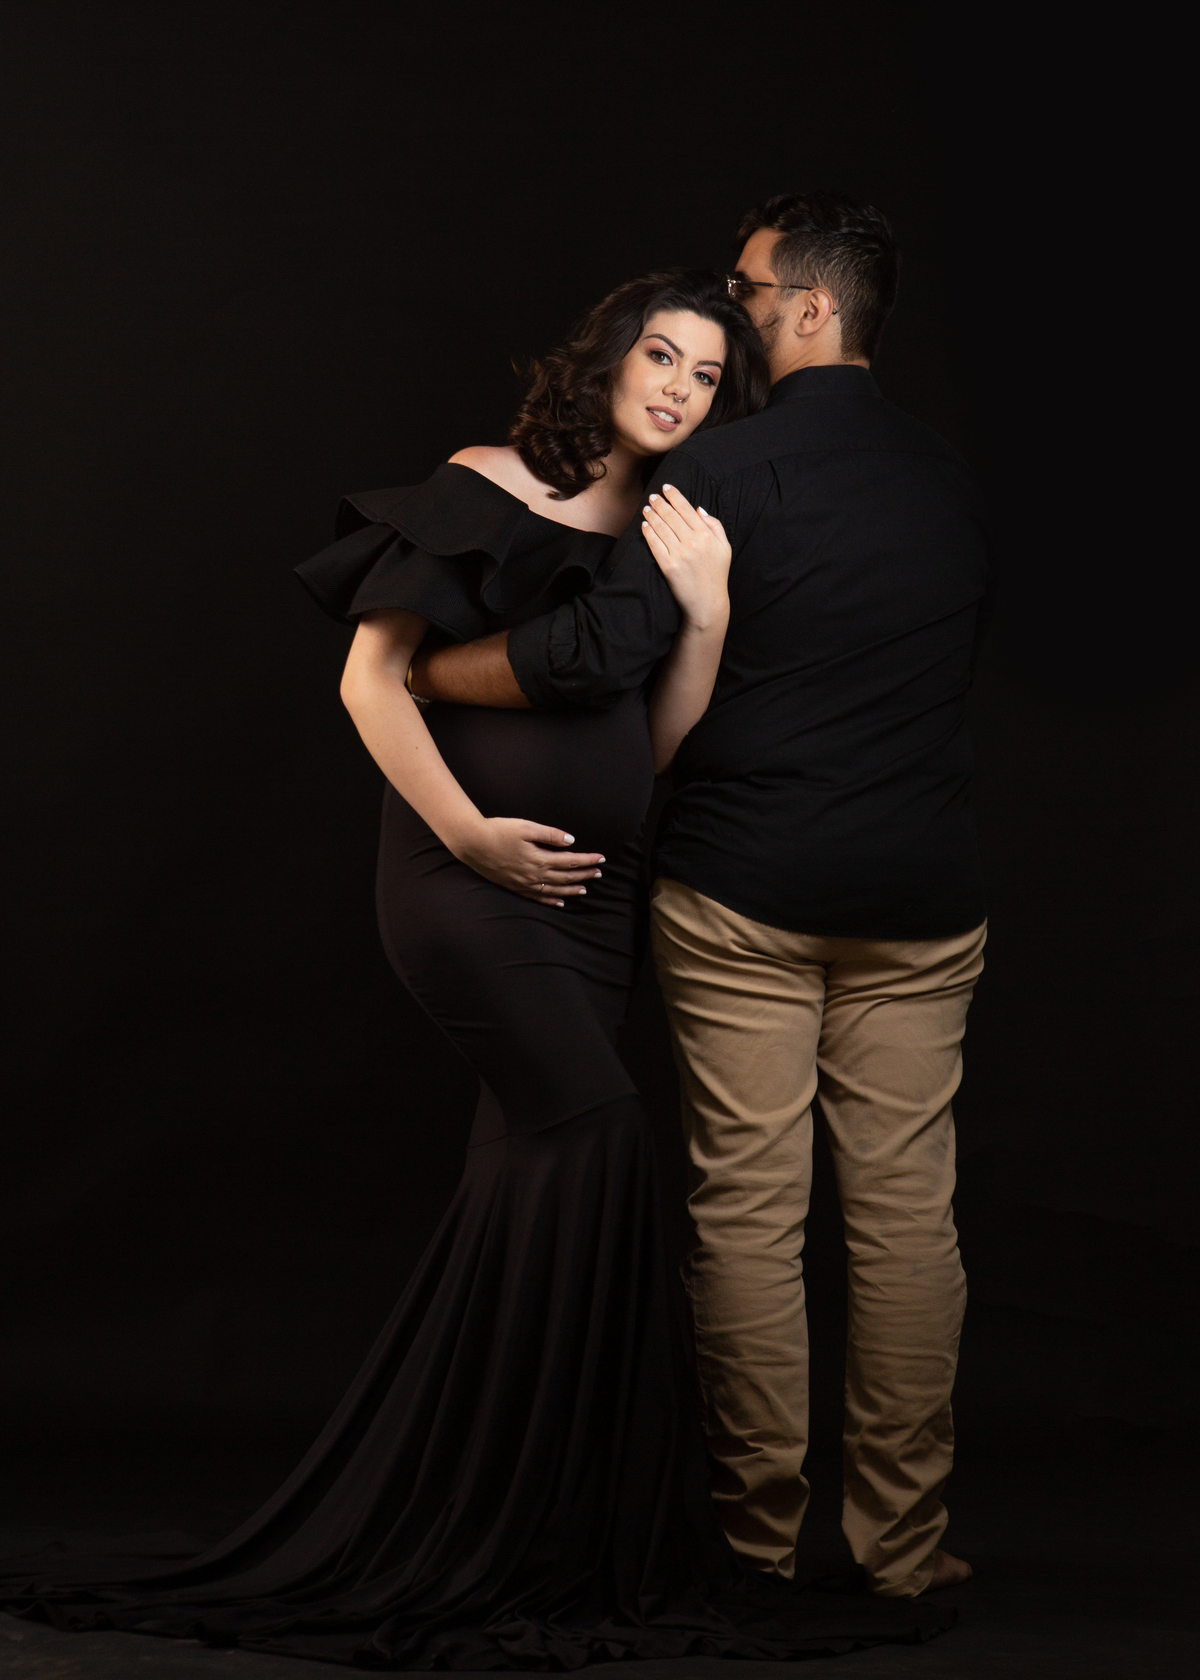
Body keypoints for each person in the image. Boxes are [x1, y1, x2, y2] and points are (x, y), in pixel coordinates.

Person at [0, 269, 951, 1667]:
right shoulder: (483, 483)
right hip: (467, 886)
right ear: (609, 359)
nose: (681, 389)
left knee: (528, 1179)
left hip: (595, 906)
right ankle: (509, 1513)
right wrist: (471, 837)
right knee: (600, 1133)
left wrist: (707, 616)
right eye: (661, 357)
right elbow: (369, 681)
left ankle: (499, 1517)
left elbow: (654, 749)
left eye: (707, 374)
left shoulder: (674, 528)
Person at [405, 192, 993, 1602]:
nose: (734, 310)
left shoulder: (718, 474)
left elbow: (589, 655)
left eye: (749, 290)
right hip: (922, 895)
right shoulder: (953, 478)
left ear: (810, 309)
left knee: (747, 1216)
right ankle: (904, 1550)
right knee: (908, 1223)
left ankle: (756, 1542)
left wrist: (429, 669)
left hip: (746, 890)